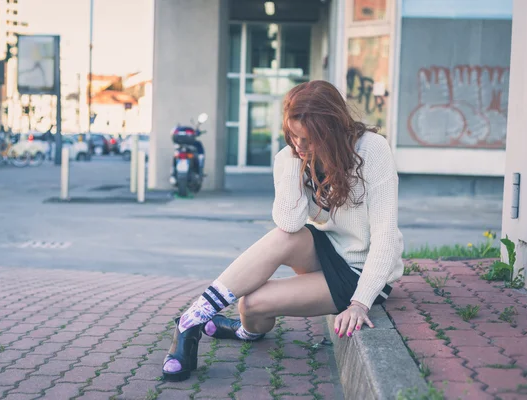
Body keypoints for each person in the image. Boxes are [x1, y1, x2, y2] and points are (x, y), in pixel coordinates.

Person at [162, 80, 404, 382]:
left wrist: (359, 303)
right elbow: (289, 223)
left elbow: (385, 237)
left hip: (359, 272)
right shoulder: (291, 155)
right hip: (326, 248)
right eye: (292, 135)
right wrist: (293, 162)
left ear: (331, 130)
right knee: (284, 237)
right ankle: (192, 319)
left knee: (250, 305)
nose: (299, 145)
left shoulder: (372, 149)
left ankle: (242, 331)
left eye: (308, 138)